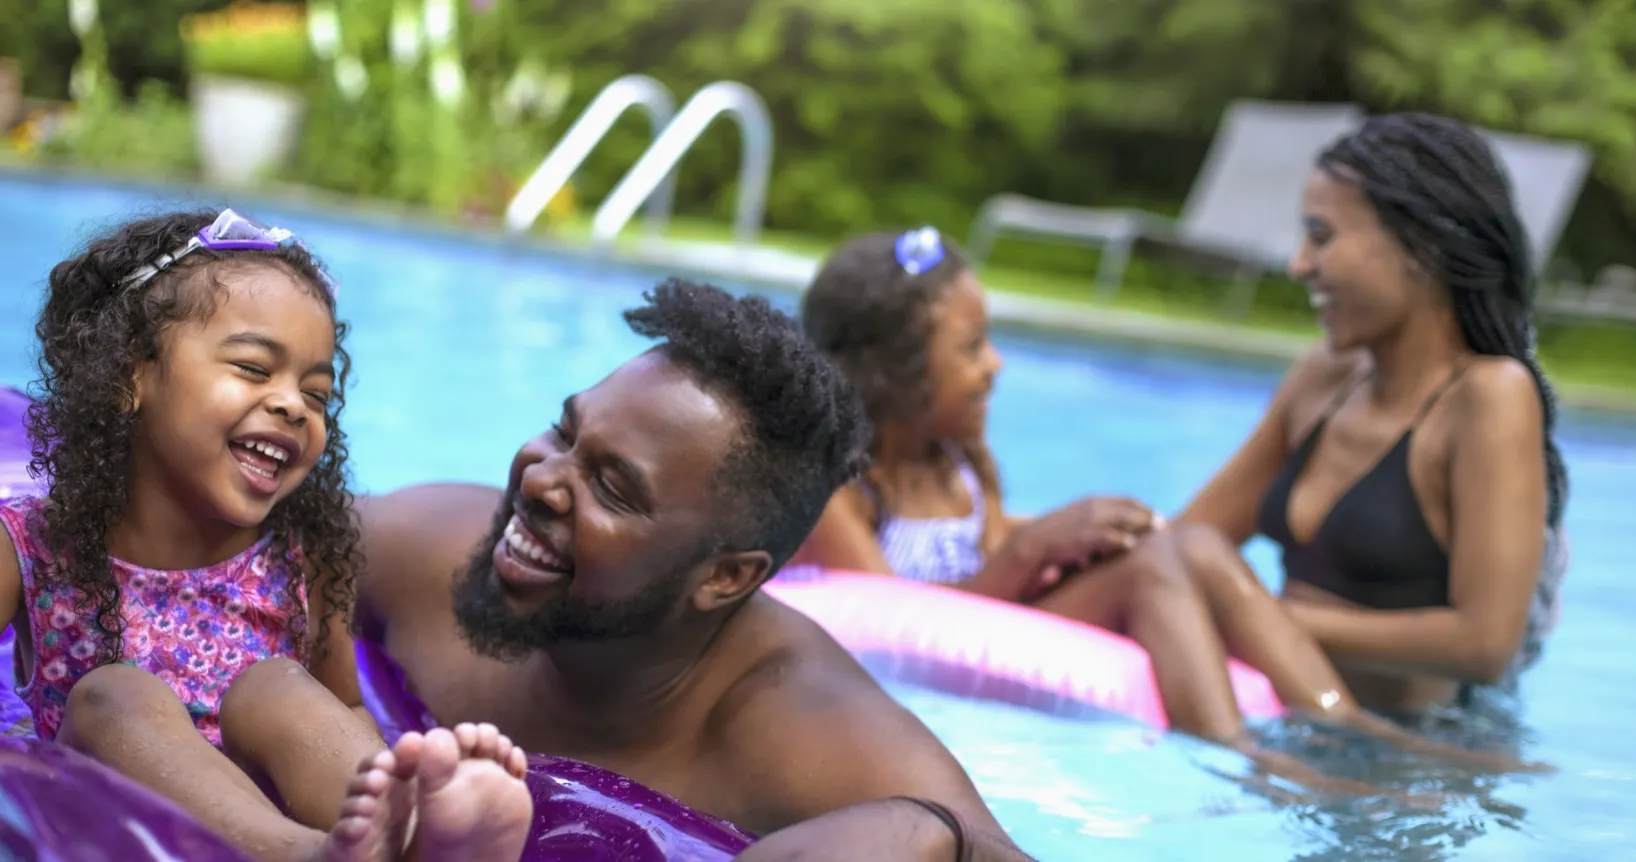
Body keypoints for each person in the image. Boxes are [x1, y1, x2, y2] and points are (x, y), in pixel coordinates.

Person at [355, 279, 1036, 861]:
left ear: (726, 578)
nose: (541, 482)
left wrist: (928, 833)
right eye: (564, 433)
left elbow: (979, 844)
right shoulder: (425, 554)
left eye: (614, 488)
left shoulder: (796, 732)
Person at [0, 209, 533, 862]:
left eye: (316, 393)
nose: (292, 405)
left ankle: (417, 834)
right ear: (127, 376)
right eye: (254, 369)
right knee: (115, 694)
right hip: (126, 818)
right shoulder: (30, 546)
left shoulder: (303, 559)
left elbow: (343, 708)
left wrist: (378, 768)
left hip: (282, 803)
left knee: (277, 685)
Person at [1042, 113, 1569, 750]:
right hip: (1284, 718)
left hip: (1407, 752)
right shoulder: (1325, 377)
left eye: (1321, 236)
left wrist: (1265, 615)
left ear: (1419, 247)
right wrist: (1045, 541)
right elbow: (1189, 537)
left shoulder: (1489, 396)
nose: (1298, 265)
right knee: (1196, 553)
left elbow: (1485, 642)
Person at [783, 226, 1162, 602]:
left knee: (1182, 552)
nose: (995, 363)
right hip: (894, 659)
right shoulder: (839, 491)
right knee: (1147, 573)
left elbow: (1009, 600)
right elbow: (885, 616)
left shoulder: (966, 465)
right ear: (896, 372)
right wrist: (1028, 550)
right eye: (973, 346)